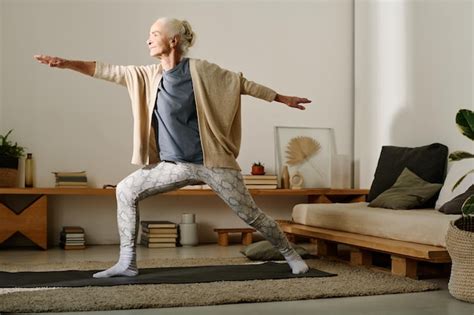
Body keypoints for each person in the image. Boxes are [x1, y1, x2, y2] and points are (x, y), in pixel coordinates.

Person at [34, 17, 312, 278]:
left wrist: (282, 98)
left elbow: (240, 83)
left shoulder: (201, 70)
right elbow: (106, 70)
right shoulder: (147, 76)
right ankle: (127, 263)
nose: (148, 40)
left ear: (174, 40)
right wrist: (66, 63)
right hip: (174, 166)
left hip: (212, 163)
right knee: (125, 189)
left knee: (250, 214)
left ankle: (291, 255)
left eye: (154, 34)